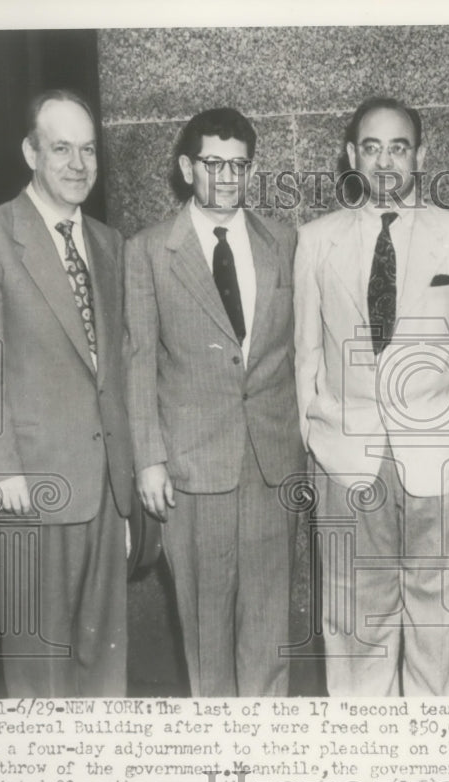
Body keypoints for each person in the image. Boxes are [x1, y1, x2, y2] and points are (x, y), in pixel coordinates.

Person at [293, 97, 449, 696]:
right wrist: (315, 435)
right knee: (356, 620)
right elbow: (306, 350)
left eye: (400, 147)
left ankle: (436, 758)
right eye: (373, 147)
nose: (386, 161)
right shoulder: (316, 240)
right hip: (345, 456)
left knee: (440, 621)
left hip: (438, 453)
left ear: (420, 156)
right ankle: (366, 757)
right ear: (352, 155)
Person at [0, 89, 134, 696]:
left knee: (103, 664)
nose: (78, 164)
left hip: (105, 486)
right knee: (39, 668)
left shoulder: (108, 244)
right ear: (30, 152)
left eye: (87, 150)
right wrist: (0, 471)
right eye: (61, 148)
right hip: (27, 485)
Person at [124, 107, 304, 697]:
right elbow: (137, 357)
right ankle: (219, 758)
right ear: (186, 167)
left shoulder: (283, 241)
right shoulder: (150, 251)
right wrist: (148, 459)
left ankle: (267, 750)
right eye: (213, 163)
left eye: (239, 165)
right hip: (193, 466)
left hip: (271, 462)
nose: (227, 177)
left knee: (269, 621)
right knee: (206, 627)